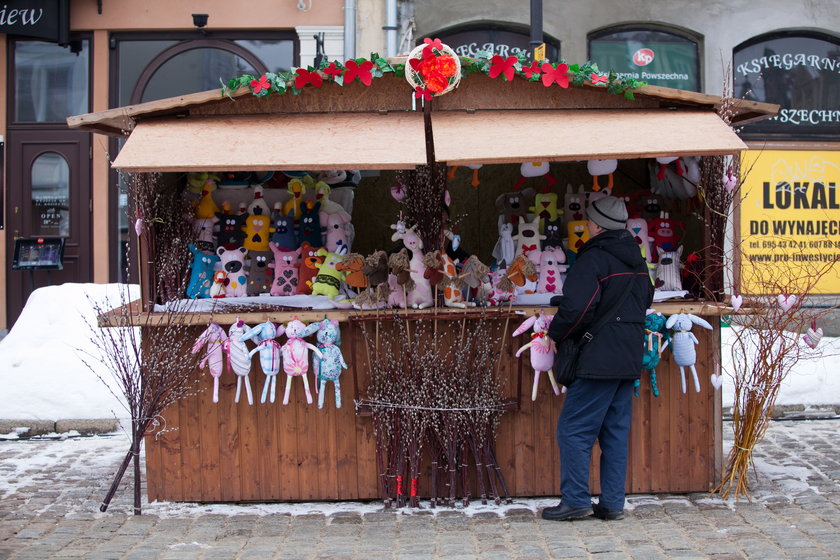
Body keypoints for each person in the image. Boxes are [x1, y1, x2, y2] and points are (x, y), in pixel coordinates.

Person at [541, 195, 654, 521]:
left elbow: (577, 308)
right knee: (615, 433)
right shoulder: (636, 258)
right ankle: (613, 503)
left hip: (597, 359)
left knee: (574, 429)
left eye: (589, 221)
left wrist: (558, 333)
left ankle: (576, 500)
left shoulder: (594, 259)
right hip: (628, 358)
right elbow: (645, 299)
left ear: (597, 225)